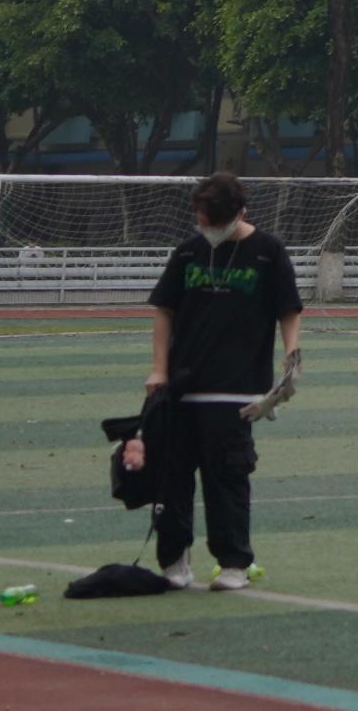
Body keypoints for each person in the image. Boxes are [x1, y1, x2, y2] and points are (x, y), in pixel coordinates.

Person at [137, 172, 304, 593]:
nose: (205, 228)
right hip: (181, 388)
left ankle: (233, 563)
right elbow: (164, 311)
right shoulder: (189, 253)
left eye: (212, 220)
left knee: (227, 479)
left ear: (237, 213)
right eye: (201, 220)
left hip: (238, 390)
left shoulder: (268, 252)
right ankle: (174, 560)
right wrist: (159, 370)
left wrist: (291, 359)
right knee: (171, 478)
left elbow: (289, 309)